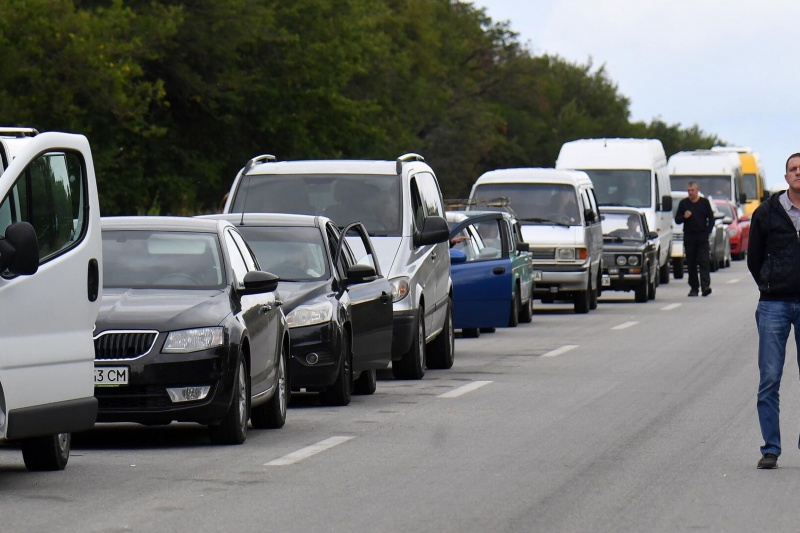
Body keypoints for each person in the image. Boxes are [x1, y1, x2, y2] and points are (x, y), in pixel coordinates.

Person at [746, 152, 800, 469]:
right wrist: (769, 283)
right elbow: (754, 258)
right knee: (769, 379)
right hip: (773, 304)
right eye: (793, 169)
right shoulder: (767, 212)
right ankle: (771, 448)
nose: (798, 173)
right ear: (785, 177)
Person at [674, 181, 714, 297]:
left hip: (702, 236)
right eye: (689, 191)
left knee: (703, 261)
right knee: (691, 263)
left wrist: (707, 232)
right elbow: (677, 219)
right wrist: (684, 216)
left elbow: (710, 219)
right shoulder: (684, 204)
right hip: (689, 236)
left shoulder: (704, 203)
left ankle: (705, 286)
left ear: (697, 191)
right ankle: (694, 288)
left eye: (692, 190)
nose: (690, 193)